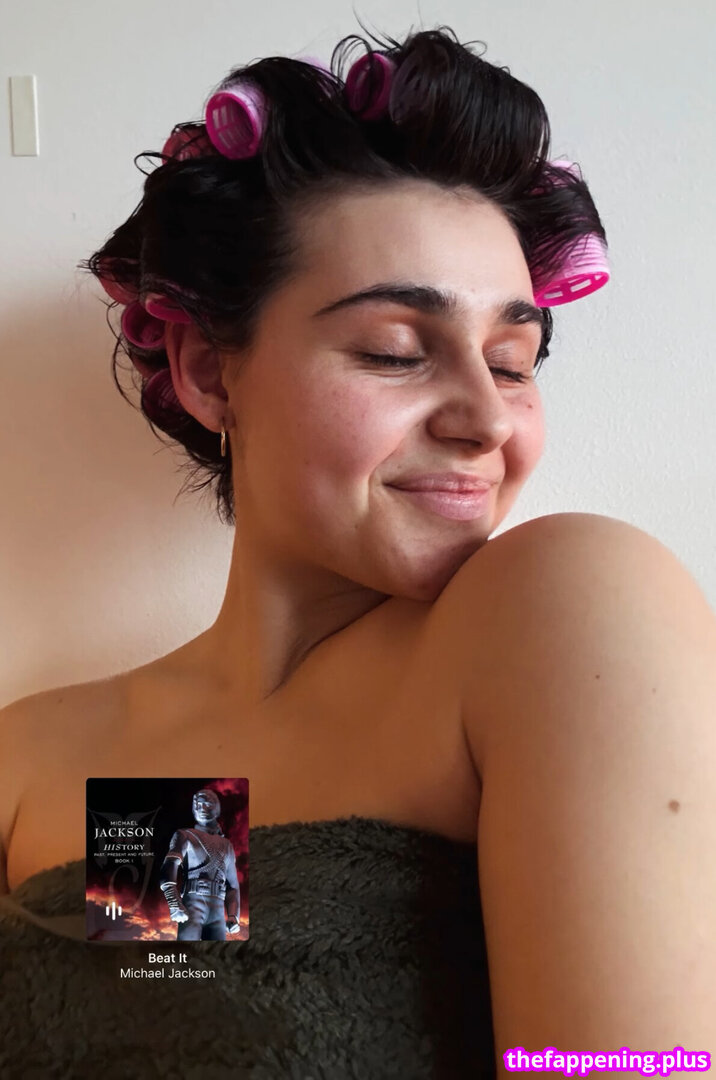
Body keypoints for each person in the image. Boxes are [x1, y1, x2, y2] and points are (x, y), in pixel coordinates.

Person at [1, 21, 715, 1079]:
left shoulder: (559, 611)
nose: (486, 417)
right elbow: (180, 1021)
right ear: (210, 372)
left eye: (513, 361)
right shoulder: (49, 759)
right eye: (394, 350)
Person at [159, 787, 241, 940]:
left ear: (216, 808)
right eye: (198, 804)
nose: (202, 808)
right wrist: (174, 902)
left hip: (217, 909)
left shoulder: (227, 845)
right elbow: (169, 866)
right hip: (193, 904)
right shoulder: (185, 835)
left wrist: (233, 916)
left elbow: (233, 886)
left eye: (207, 804)